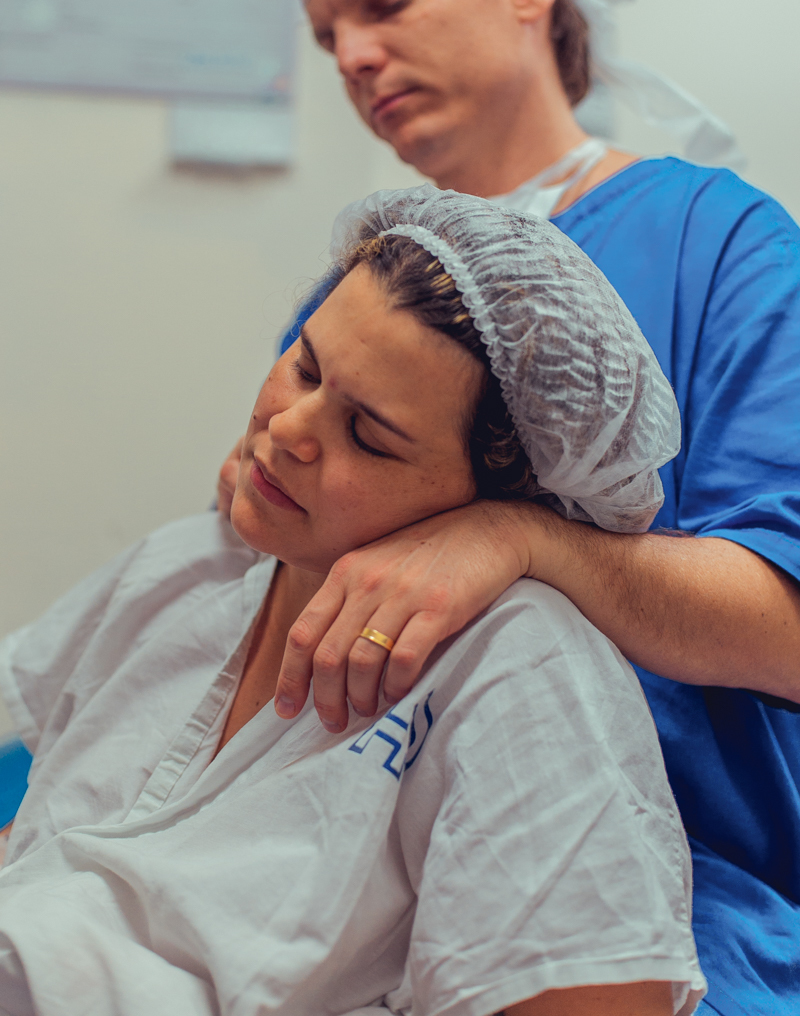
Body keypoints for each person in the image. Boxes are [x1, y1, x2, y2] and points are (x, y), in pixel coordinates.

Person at [215, 0, 800, 1016]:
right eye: (331, 38)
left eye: (386, 1)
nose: (357, 57)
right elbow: (263, 586)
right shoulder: (354, 288)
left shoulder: (717, 245)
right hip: (339, 859)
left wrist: (518, 541)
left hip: (662, 889)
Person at [0, 188, 703, 1016]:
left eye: (369, 435)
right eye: (305, 365)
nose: (289, 428)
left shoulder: (512, 665)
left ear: (490, 495)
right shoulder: (196, 563)